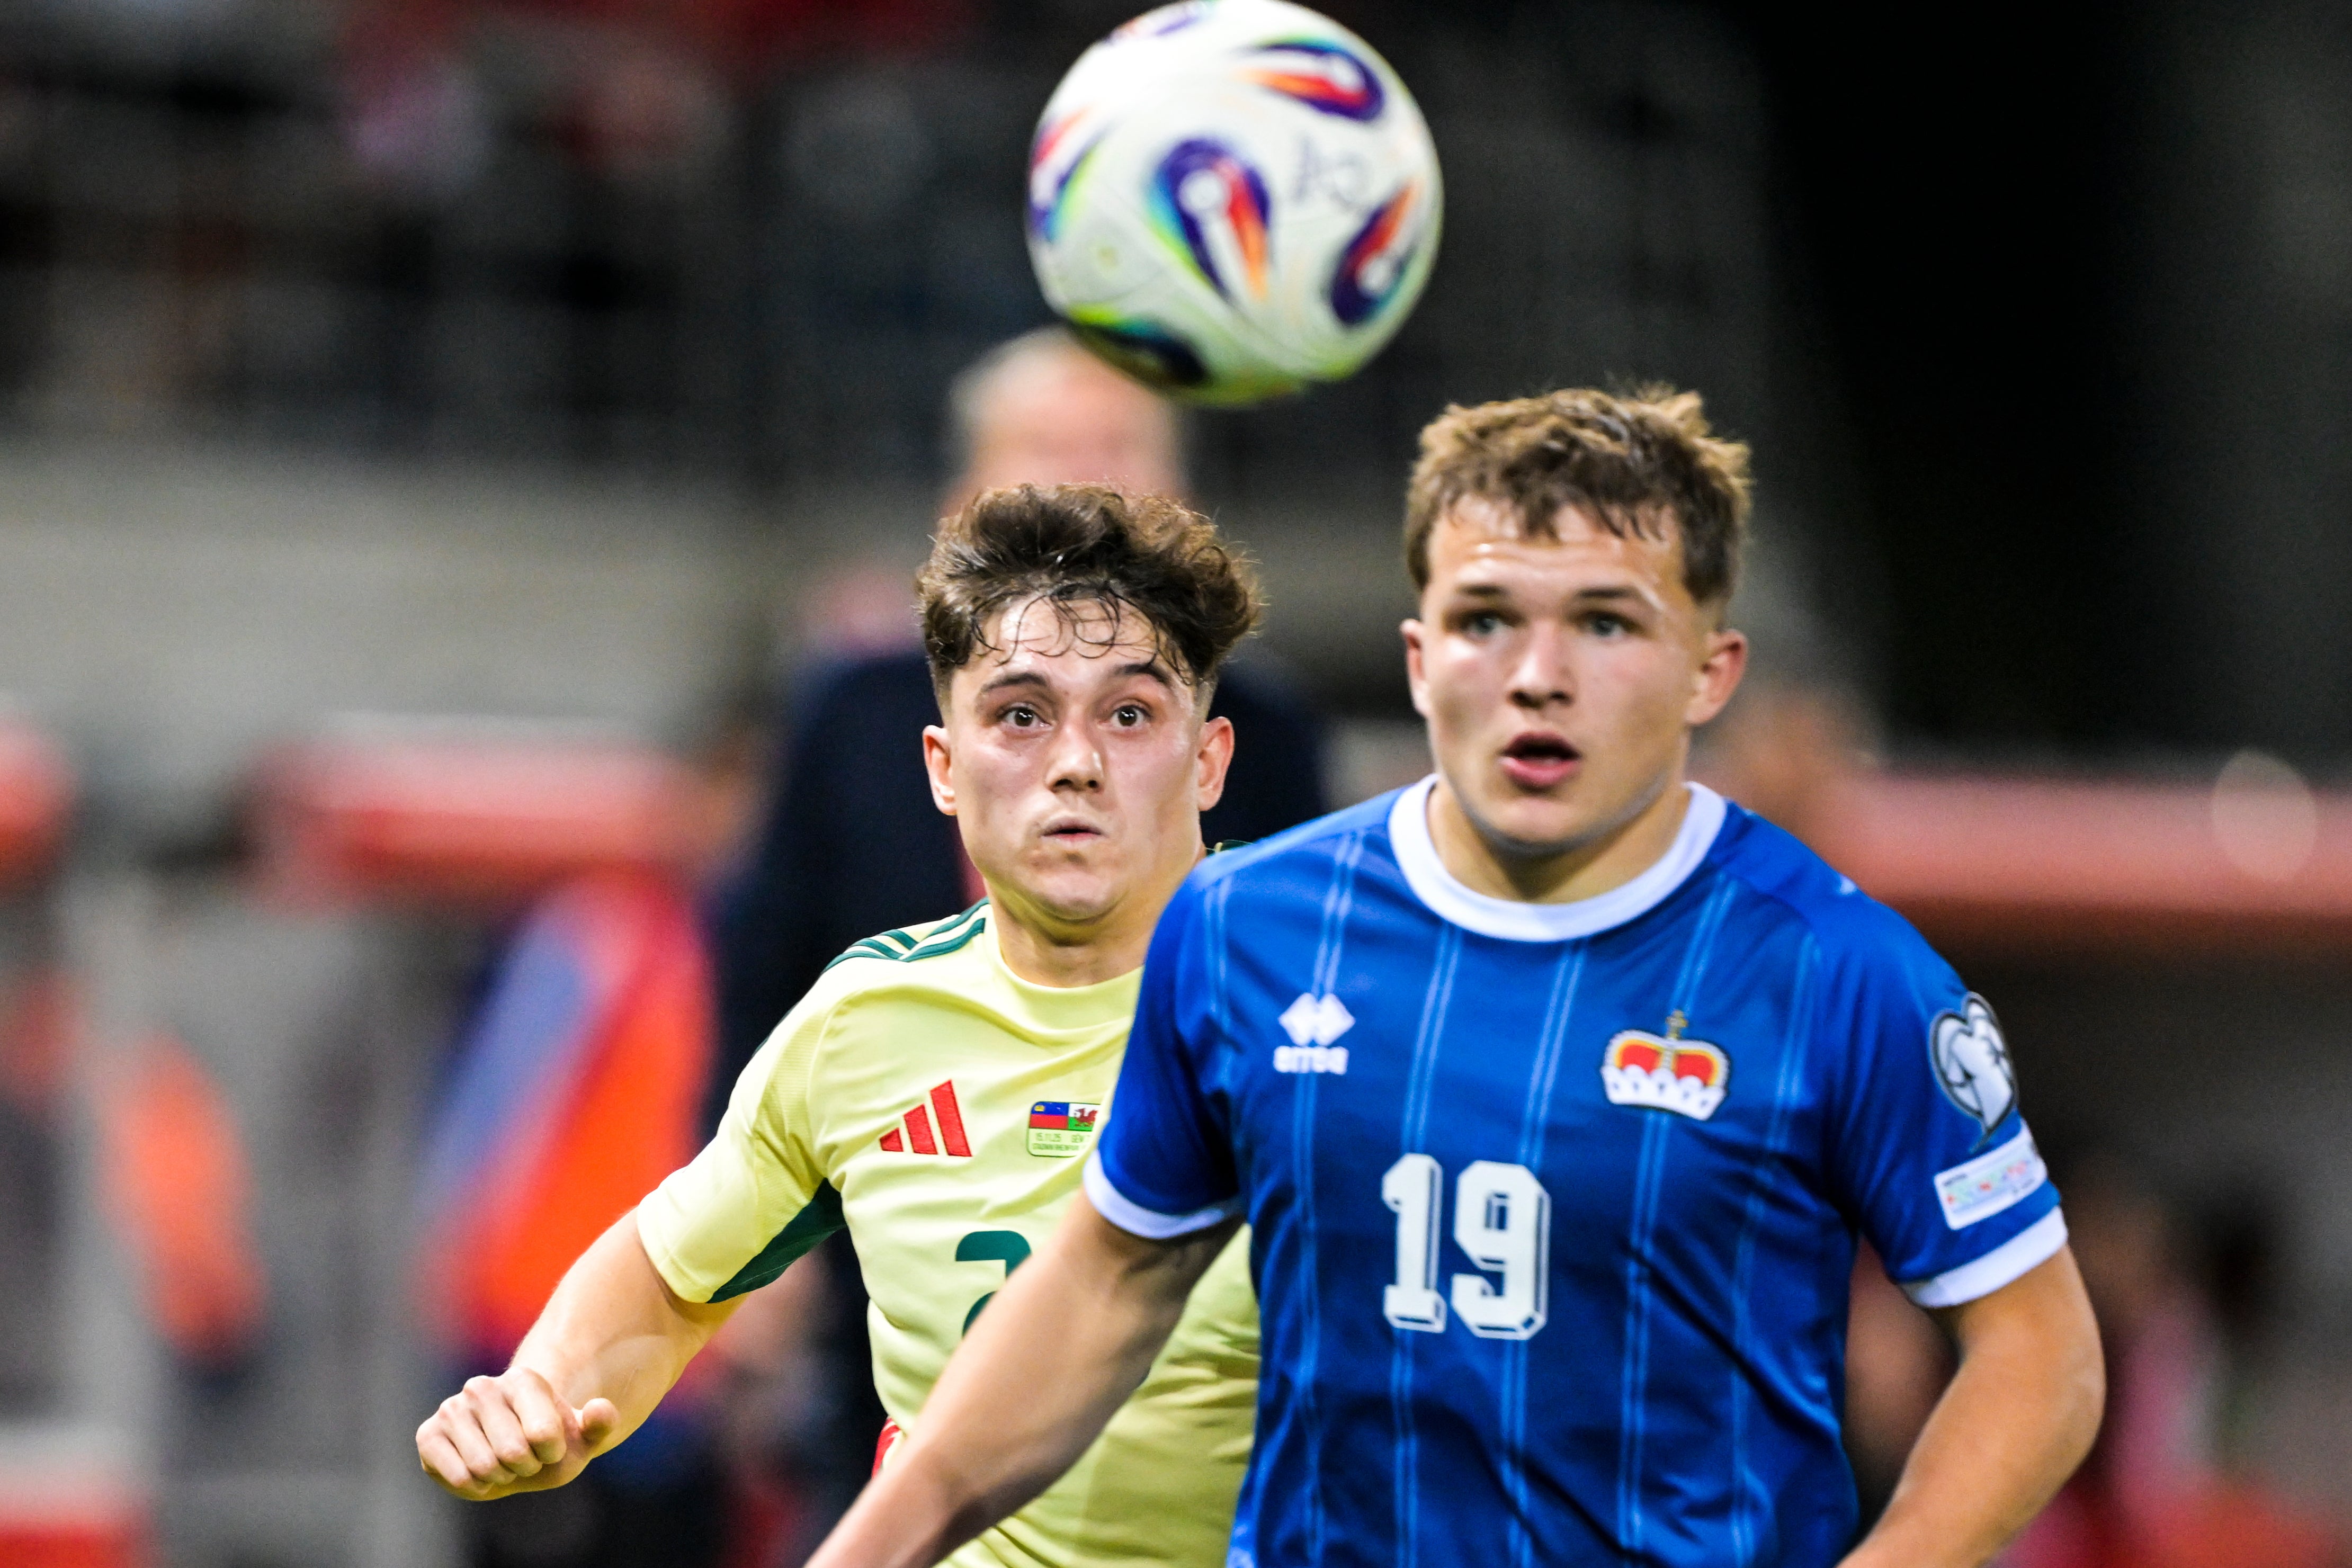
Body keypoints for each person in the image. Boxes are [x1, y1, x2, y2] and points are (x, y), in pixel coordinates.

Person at [804, 388, 2107, 1568]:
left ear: (1711, 670)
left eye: (1604, 621)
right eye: (1488, 619)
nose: (1537, 675)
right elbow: (1102, 1283)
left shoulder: (1840, 973)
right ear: (1422, 656)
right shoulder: (1246, 926)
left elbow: (2038, 1352)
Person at [417, 483, 1266, 1568]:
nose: (1075, 760)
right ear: (943, 767)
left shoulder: (1322, 1006)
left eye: (1130, 712)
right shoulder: (868, 1017)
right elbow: (670, 1268)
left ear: (1210, 758)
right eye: (1019, 711)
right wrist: (541, 1391)